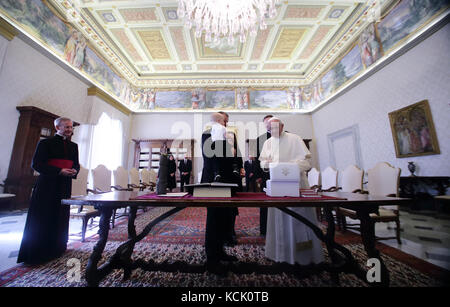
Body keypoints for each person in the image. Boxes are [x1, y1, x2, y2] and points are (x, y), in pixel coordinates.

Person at [259, 117, 324, 266]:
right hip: (277, 186)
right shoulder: (267, 143)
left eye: (273, 128)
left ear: (282, 126)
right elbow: (262, 161)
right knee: (280, 217)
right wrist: (267, 164)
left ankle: (303, 258)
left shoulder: (295, 139)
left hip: (296, 184)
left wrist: (285, 168)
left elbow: (306, 162)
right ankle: (279, 254)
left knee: (298, 219)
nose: (271, 131)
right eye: (268, 129)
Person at [17, 117, 80, 265]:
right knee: (44, 216)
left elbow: (76, 164)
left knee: (60, 215)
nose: (69, 130)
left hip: (64, 185)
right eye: (66, 127)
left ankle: (57, 248)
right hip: (47, 185)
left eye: (71, 127)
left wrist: (74, 171)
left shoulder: (74, 146)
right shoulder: (45, 143)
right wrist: (59, 171)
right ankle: (38, 251)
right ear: (57, 128)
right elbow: (37, 164)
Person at [201, 112, 238, 275]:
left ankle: (221, 251)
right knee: (214, 219)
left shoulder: (228, 134)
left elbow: (232, 156)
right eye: (224, 120)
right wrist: (230, 152)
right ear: (218, 121)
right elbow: (212, 156)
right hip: (214, 182)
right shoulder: (207, 135)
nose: (226, 123)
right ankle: (212, 259)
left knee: (226, 217)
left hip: (228, 181)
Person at [256, 114, 273, 236]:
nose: (269, 125)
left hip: (283, 175)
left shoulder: (287, 135)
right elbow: (258, 159)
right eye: (266, 123)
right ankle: (265, 230)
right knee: (265, 203)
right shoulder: (260, 139)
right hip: (266, 175)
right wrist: (259, 175)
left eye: (270, 122)